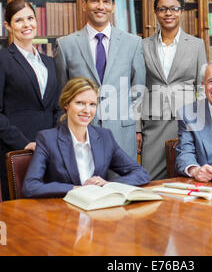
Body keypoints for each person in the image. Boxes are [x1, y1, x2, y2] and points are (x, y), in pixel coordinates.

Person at [54, 0, 145, 161]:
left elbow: (138, 89)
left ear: (113, 6)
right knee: (86, 188)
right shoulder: (66, 45)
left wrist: (136, 128)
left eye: (106, 1)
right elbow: (62, 94)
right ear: (84, 4)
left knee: (122, 187)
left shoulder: (132, 43)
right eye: (95, 0)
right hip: (80, 133)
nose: (100, 6)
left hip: (122, 134)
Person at [0, 0, 61, 200]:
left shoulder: (50, 63)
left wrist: (54, 139)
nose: (27, 25)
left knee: (54, 210)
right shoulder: (0, 59)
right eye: (19, 20)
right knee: (22, 214)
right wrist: (24, 143)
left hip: (51, 149)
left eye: (30, 18)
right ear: (8, 26)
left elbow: (58, 107)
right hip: (19, 150)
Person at [22, 77, 150, 198]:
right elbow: (30, 186)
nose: (87, 110)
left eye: (92, 104)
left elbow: (141, 174)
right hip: (64, 211)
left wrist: (108, 184)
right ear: (66, 104)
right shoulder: (47, 139)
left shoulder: (105, 137)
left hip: (99, 209)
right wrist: (74, 189)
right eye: (80, 103)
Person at [139, 0, 207, 180]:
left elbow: (202, 86)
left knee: (186, 173)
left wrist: (200, 120)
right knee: (149, 177)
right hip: (154, 121)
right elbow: (136, 87)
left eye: (173, 8)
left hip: (187, 120)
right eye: (162, 9)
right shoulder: (143, 45)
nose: (168, 13)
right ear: (155, 13)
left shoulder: (196, 44)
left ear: (181, 12)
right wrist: (137, 126)